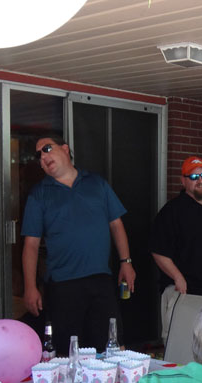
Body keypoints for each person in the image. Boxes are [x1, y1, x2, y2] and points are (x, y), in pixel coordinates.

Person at [21, 136, 137, 354]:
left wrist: (126, 262)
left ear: (65, 149)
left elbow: (116, 224)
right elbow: (31, 244)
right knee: (67, 351)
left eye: (47, 148)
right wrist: (29, 287)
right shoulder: (39, 194)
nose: (43, 156)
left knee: (113, 344)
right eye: (38, 155)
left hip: (100, 278)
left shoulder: (97, 183)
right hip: (63, 284)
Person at [150, 155, 202, 342]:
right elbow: (158, 250)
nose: (200, 180)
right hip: (183, 292)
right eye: (194, 177)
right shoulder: (171, 211)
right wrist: (178, 277)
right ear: (183, 180)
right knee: (180, 343)